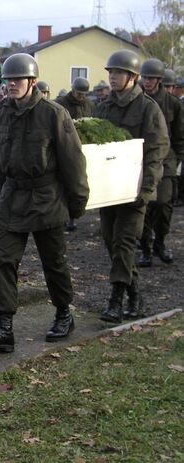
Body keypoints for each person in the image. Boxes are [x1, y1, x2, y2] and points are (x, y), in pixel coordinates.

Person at [0, 53, 89, 353]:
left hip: (46, 198)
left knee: (54, 262)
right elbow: (0, 159)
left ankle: (64, 313)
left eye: (17, 80)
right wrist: (3, 191)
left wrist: (76, 204)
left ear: (32, 81)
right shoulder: (2, 113)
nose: (11, 85)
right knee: (4, 260)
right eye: (8, 80)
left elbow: (73, 161)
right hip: (13, 197)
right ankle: (4, 327)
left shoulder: (54, 113)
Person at [94, 50, 169, 323]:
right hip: (108, 190)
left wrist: (146, 190)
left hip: (135, 190)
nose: (113, 77)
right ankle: (135, 295)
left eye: (119, 73)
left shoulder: (149, 108)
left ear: (133, 77)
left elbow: (157, 151)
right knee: (112, 244)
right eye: (110, 72)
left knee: (125, 243)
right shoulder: (103, 107)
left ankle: (115, 299)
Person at [137, 58, 184, 270]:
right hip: (141, 159)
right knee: (144, 205)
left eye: (151, 78)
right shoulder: (136, 100)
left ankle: (160, 243)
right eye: (145, 77)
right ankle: (145, 248)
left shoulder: (173, 103)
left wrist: (178, 160)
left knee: (164, 203)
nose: (147, 81)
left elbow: (180, 135)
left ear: (159, 80)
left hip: (167, 159)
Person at [55, 77, 95, 232]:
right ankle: (65, 216)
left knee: (78, 183)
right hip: (66, 146)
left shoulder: (90, 105)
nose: (81, 97)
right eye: (79, 93)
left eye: (84, 94)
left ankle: (73, 215)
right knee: (65, 182)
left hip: (84, 146)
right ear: (73, 90)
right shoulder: (61, 104)